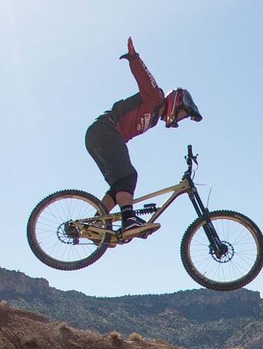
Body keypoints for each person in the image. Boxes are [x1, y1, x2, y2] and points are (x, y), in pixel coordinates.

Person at [85, 38, 201, 238]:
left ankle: (96, 225)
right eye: (182, 114)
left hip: (103, 137)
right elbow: (145, 79)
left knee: (121, 184)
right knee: (129, 176)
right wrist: (134, 58)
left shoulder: (154, 119)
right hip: (105, 130)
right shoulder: (155, 98)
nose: (179, 120)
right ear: (177, 102)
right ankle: (129, 220)